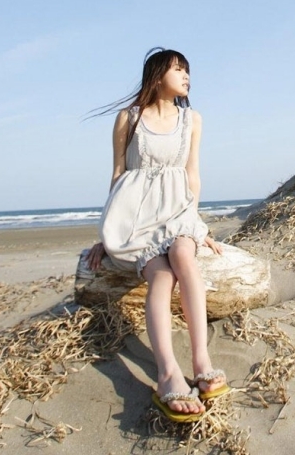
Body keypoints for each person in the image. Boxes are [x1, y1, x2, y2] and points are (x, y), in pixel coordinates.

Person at [86, 47, 229, 422]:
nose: (186, 76)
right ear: (156, 74)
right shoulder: (128, 118)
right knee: (162, 275)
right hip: (136, 218)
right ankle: (167, 374)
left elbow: (192, 173)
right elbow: (118, 175)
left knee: (184, 257)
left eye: (188, 71)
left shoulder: (192, 119)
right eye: (178, 69)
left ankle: (201, 362)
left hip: (178, 211)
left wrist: (198, 226)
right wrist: (106, 233)